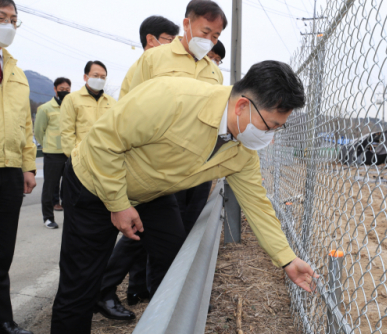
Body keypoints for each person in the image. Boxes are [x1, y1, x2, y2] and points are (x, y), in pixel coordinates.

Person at [50, 60, 317, 334]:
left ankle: (165, 320)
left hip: (151, 190)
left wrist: (286, 259)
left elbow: (258, 206)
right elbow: (102, 143)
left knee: (177, 260)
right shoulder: (172, 97)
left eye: (277, 129)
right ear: (242, 107)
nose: (270, 138)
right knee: (80, 284)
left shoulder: (242, 153)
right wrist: (118, 204)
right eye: (270, 126)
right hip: (93, 181)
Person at [96, 15, 180, 321]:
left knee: (145, 236)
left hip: (154, 169)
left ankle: (124, 290)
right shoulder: (147, 69)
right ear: (152, 41)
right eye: (171, 40)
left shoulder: (160, 69)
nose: (178, 48)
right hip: (142, 168)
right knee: (145, 236)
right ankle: (107, 290)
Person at [0, 1, 36, 333]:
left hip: (8, 169)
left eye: (13, 20)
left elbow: (25, 125)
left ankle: (4, 320)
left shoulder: (16, 72)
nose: (9, 25)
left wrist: (28, 167)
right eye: (2, 18)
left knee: (2, 253)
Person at [129, 0, 226, 91]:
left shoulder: (215, 73)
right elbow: (132, 103)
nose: (208, 40)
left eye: (215, 36)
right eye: (205, 32)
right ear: (187, 24)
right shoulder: (152, 58)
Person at [34, 77, 71, 229]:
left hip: (69, 153)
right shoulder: (45, 108)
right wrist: (49, 144)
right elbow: (38, 132)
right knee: (50, 186)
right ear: (55, 89)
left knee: (70, 187)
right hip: (53, 154)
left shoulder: (71, 107)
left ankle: (71, 217)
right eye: (61, 89)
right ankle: (48, 218)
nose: (65, 91)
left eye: (67, 89)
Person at [60, 60, 116, 158]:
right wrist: (74, 156)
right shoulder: (72, 99)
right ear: (85, 77)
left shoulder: (112, 102)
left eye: (103, 77)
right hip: (82, 158)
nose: (99, 79)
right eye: (95, 75)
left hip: (106, 157)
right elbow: (67, 132)